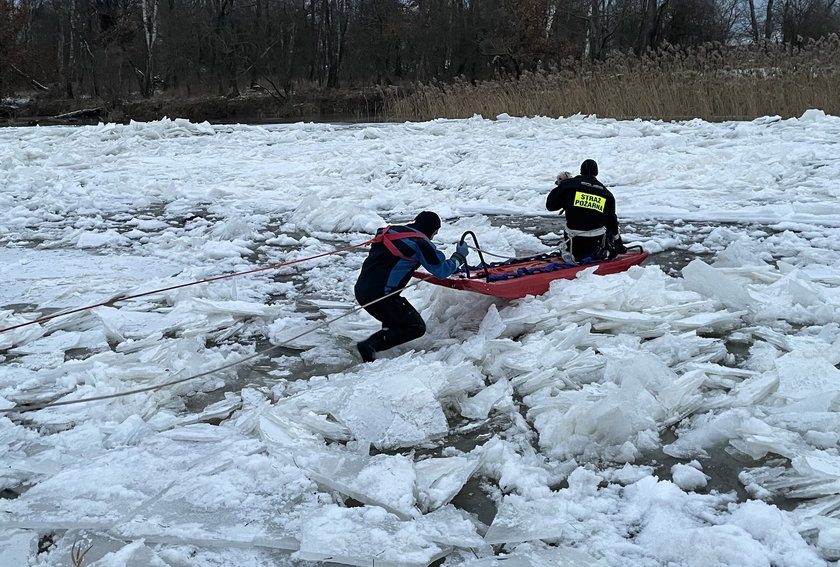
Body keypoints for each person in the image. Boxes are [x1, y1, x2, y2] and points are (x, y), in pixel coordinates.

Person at [354, 211, 469, 362]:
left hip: (362, 290)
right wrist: (459, 256)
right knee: (415, 327)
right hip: (382, 296)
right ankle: (368, 348)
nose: (433, 237)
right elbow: (442, 271)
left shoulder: (391, 231)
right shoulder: (420, 243)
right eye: (435, 233)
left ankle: (380, 358)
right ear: (433, 230)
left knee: (395, 322)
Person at [546, 159, 625, 262]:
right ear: (596, 173)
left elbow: (550, 206)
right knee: (607, 224)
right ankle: (605, 251)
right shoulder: (606, 194)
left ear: (581, 171)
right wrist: (619, 243)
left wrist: (564, 194)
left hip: (573, 240)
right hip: (594, 240)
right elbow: (612, 223)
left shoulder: (568, 186)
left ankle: (569, 253)